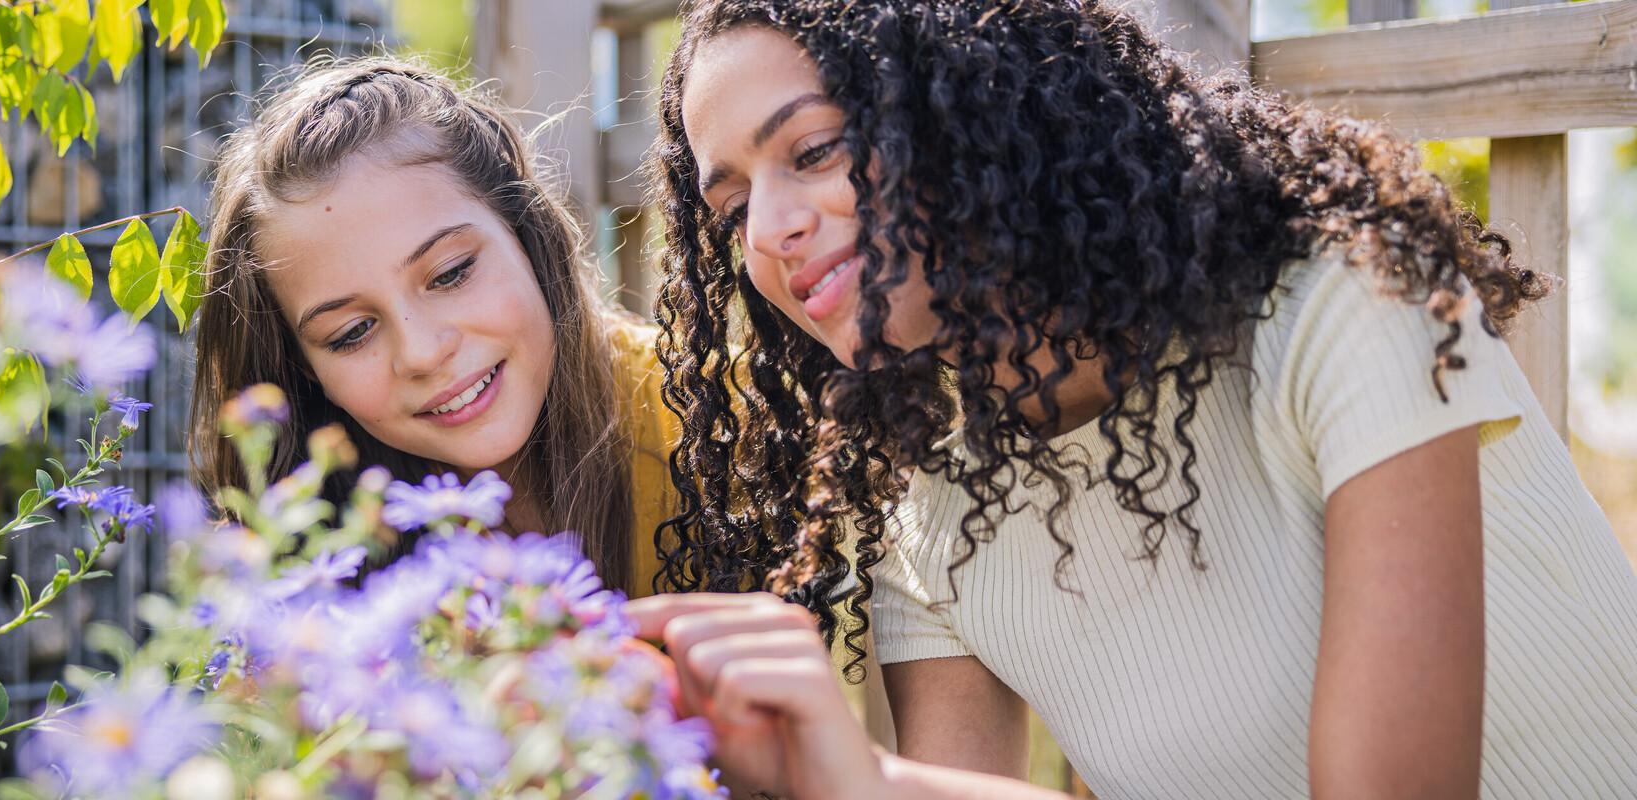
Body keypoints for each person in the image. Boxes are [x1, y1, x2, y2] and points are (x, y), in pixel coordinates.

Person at [633, 1, 1637, 798]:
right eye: (731, 208)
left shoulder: (1346, 297)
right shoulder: (922, 482)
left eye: (813, 151)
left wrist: (877, 780)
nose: (768, 229)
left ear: (971, 105)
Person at [189, 58, 679, 596]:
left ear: (525, 230)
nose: (421, 353)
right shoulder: (304, 561)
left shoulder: (731, 421)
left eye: (450, 274)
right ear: (303, 372)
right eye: (351, 333)